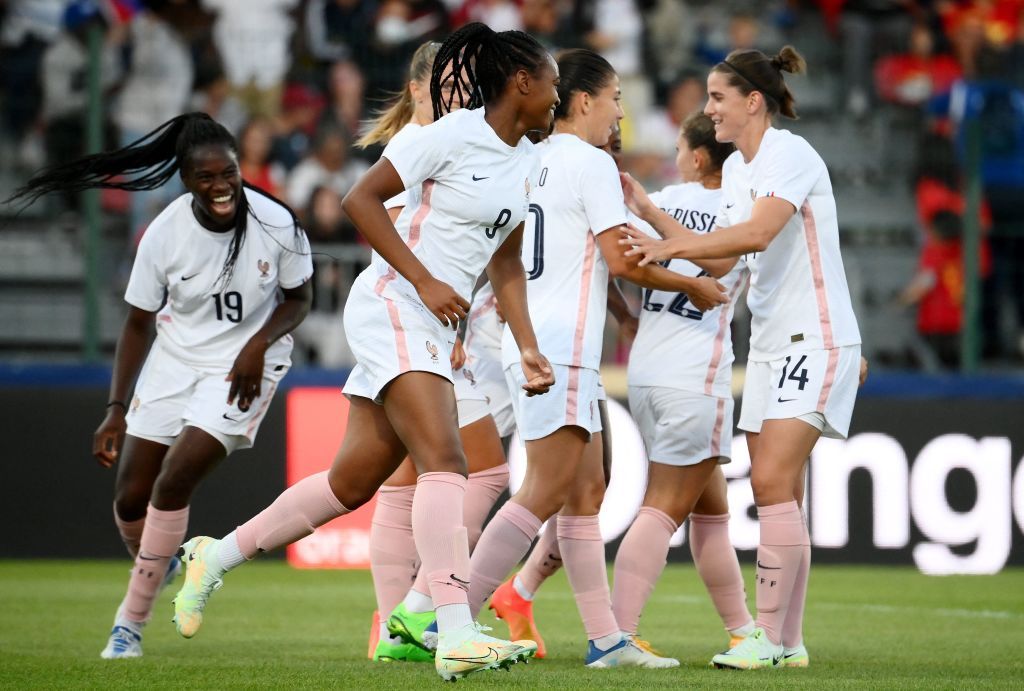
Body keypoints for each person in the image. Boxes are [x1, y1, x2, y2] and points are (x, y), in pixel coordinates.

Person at [171, 23, 560, 682]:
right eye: (553, 84)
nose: (558, 97)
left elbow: (506, 265)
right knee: (447, 461)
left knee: (351, 483)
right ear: (522, 82)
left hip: (432, 323)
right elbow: (360, 200)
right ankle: (455, 631)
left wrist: (527, 346)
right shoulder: (446, 134)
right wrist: (426, 279)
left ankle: (216, 554)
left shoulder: (527, 162)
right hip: (392, 302)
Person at [7, 112, 314, 660]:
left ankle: (128, 624)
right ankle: (166, 560)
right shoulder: (164, 234)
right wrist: (115, 409)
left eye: (230, 174)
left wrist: (255, 346)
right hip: (174, 360)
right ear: (185, 179)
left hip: (246, 366)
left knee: (173, 483)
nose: (221, 187)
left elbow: (300, 298)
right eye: (206, 178)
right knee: (130, 498)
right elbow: (136, 323)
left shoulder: (275, 222)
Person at [465, 48, 729, 669]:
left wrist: (623, 314)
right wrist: (691, 282)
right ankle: (444, 616)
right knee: (545, 491)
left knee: (585, 495)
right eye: (614, 100)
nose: (619, 113)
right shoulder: (590, 163)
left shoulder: (531, 159)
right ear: (585, 101)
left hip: (542, 340)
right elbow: (621, 259)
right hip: (559, 352)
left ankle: (607, 639)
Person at [621, 46, 863, 670]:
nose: (707, 110)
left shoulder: (790, 155)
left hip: (813, 336)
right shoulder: (734, 173)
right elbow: (723, 262)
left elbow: (755, 235)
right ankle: (790, 640)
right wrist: (657, 232)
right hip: (772, 345)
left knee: (771, 482)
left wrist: (665, 237)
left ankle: (769, 638)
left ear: (753, 102)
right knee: (785, 490)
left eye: (717, 98)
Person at [350, 39, 514, 664]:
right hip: (403, 320)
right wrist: (424, 294)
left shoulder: (465, 143)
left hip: (429, 328)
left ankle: (401, 623)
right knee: (460, 468)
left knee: (385, 480)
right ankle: (420, 616)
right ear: (419, 87)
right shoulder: (421, 146)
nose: (460, 90)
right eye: (448, 80)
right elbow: (388, 236)